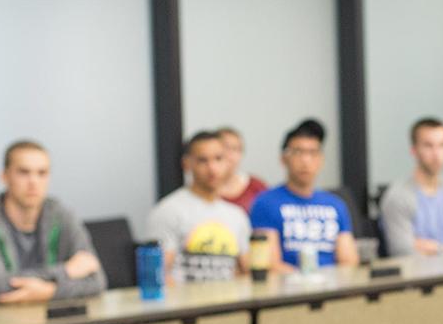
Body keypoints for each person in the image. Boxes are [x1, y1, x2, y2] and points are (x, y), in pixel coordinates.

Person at [0, 141, 106, 306]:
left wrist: (49, 292)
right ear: (5, 176)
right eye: (24, 172)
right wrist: (66, 270)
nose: (33, 182)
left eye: (42, 173)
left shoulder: (61, 215)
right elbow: (0, 289)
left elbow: (97, 282)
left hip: (47, 320)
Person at [251, 119, 359, 270]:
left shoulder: (336, 205)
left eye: (313, 153)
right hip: (289, 289)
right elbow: (271, 264)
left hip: (333, 287)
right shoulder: (266, 203)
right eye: (298, 152)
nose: (305, 160)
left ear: (321, 160)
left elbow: (349, 261)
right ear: (283, 159)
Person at [148, 132, 252, 283]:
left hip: (230, 301)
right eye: (203, 160)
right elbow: (158, 275)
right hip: (186, 303)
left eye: (218, 159)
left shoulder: (237, 215)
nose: (212, 168)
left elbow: (247, 271)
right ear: (187, 164)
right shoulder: (168, 211)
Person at [379, 118, 443, 257]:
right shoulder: (398, 198)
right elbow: (403, 252)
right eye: (428, 146)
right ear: (414, 150)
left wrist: (427, 246)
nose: (436, 154)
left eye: (442, 145)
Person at [214, 127, 269, 213]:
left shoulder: (257, 187)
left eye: (235, 149)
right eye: (225, 147)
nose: (230, 154)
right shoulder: (202, 188)